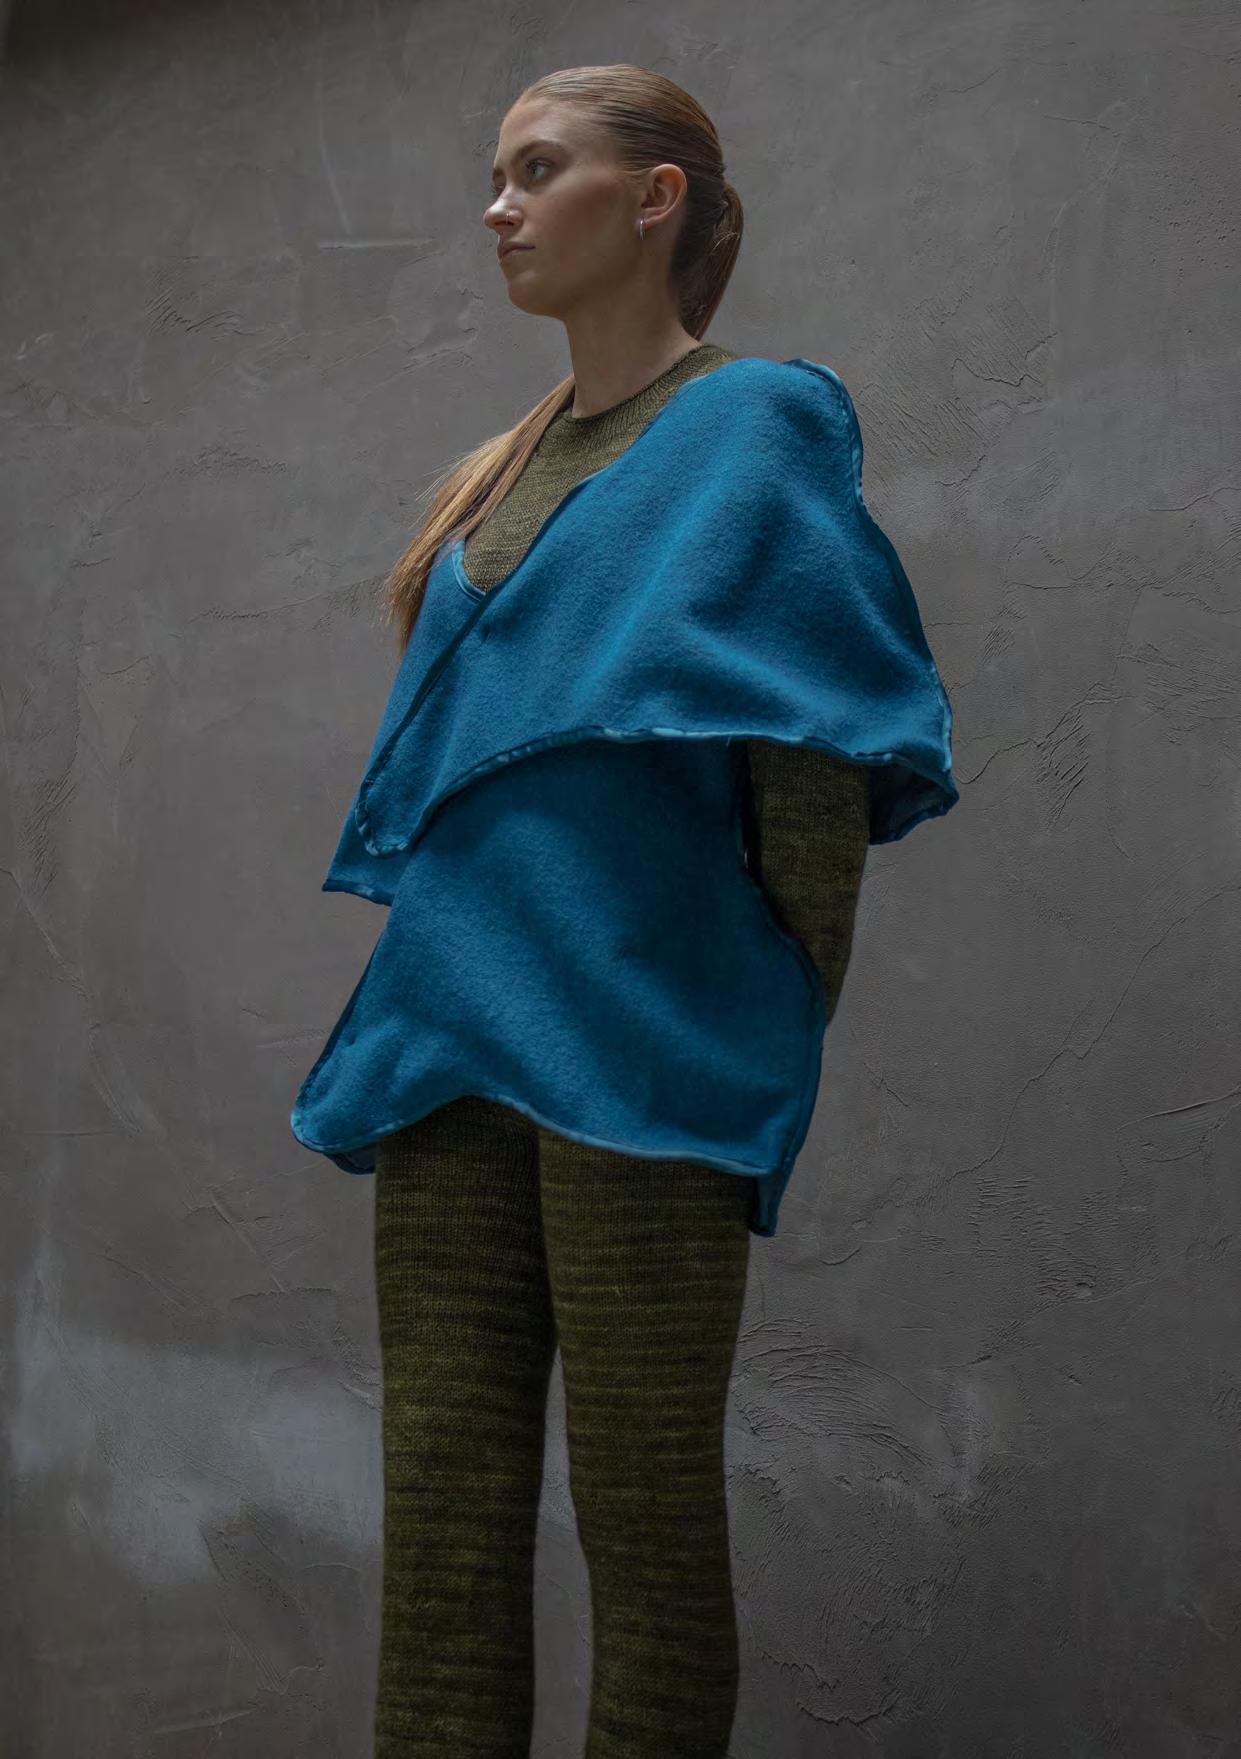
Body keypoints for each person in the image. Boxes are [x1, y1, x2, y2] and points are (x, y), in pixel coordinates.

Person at [290, 63, 958, 1759]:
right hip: (443, 1042)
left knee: (644, 1519)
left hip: (644, 1053)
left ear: (653, 198)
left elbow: (808, 766)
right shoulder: (498, 466)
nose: (497, 208)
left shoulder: (755, 421)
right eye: (496, 175)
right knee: (441, 1517)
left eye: (537, 170)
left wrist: (749, 1016)